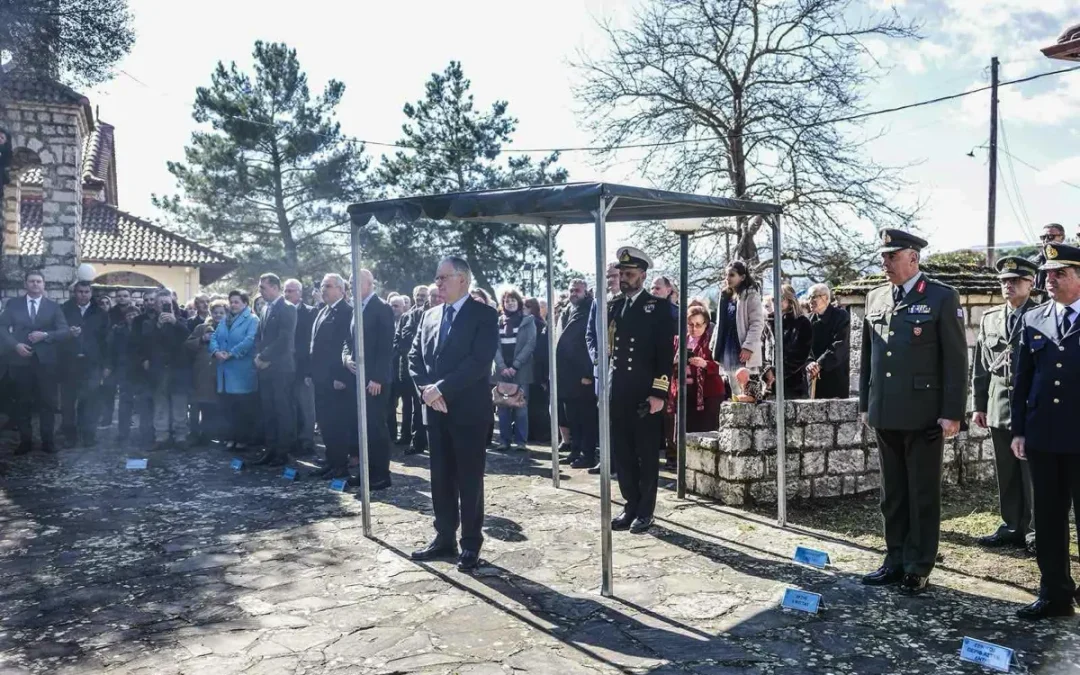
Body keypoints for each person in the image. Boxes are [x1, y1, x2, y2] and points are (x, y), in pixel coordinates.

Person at [858, 229, 967, 596]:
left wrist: (952, 412)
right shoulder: (875, 297)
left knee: (921, 493)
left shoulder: (940, 296)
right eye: (883, 256)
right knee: (892, 494)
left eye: (892, 256)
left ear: (913, 258)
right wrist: (865, 404)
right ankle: (894, 559)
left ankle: (918, 565)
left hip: (924, 414)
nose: (885, 263)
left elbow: (955, 360)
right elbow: (869, 357)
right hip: (885, 410)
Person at [408, 256, 498, 572]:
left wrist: (440, 389)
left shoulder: (484, 314)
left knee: (469, 479)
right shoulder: (430, 315)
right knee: (440, 476)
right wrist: (425, 390)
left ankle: (470, 543)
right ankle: (444, 537)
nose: (438, 283)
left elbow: (478, 362)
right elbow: (414, 356)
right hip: (436, 410)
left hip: (469, 411)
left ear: (463, 279)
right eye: (437, 277)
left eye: (443, 277)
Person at [1010, 242, 1080, 620]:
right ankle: (1055, 594)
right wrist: (1019, 430)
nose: (1050, 280)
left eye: (1060, 273)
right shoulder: (1034, 318)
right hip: (1043, 436)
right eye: (1048, 273)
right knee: (1049, 519)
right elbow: (1022, 379)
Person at [971, 256, 1039, 554]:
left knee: (1033, 474)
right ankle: (1012, 526)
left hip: (1032, 408)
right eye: (1004, 281)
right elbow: (980, 366)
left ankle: (1037, 531)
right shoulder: (990, 318)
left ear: (1031, 283)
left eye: (1015, 280)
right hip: (999, 406)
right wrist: (979, 405)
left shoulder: (1042, 315)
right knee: (1007, 472)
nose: (1008, 286)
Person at [607, 246, 676, 534]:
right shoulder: (614, 306)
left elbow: (665, 355)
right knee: (622, 452)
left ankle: (646, 510)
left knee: (646, 454)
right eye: (622, 273)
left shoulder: (657, 308)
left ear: (643, 276)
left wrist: (659, 393)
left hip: (645, 392)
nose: (624, 278)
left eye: (630, 274)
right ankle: (630, 504)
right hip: (620, 389)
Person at [0, 270, 69, 454]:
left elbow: (64, 331)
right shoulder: (14, 304)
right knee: (22, 402)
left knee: (47, 402)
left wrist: (46, 335)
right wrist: (15, 345)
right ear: (25, 284)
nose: (35, 284)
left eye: (39, 281)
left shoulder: (53, 307)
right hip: (20, 360)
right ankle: (25, 442)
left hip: (45, 363)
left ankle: (48, 441)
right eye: (31, 281)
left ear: (44, 284)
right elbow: (2, 327)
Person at [342, 269, 396, 490]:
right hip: (358, 378)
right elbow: (348, 341)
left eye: (355, 281)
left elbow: (386, 346)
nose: (351, 286)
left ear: (369, 283)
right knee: (362, 429)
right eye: (350, 282)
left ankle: (381, 474)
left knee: (376, 428)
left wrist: (377, 378)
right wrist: (346, 358)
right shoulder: (357, 308)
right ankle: (367, 473)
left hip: (375, 381)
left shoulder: (381, 307)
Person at [308, 274, 354, 480]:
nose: (323, 290)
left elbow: (346, 346)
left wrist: (341, 376)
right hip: (321, 378)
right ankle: (331, 460)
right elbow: (316, 345)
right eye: (322, 286)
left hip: (335, 379)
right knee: (325, 422)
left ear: (341, 290)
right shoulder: (324, 310)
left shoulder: (347, 312)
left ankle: (340, 465)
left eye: (328, 286)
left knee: (337, 424)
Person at [135, 288, 192, 450]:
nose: (164, 306)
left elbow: (188, 337)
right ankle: (161, 436)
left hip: (178, 368)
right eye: (161, 304)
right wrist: (158, 327)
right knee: (160, 404)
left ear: (172, 304)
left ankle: (180, 436)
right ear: (156, 306)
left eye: (167, 303)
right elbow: (145, 344)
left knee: (179, 403)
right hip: (159, 369)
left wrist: (175, 323)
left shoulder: (182, 321)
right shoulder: (148, 323)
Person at [252, 273, 297, 466]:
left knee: (282, 410)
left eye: (263, 287)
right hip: (264, 368)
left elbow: (284, 339)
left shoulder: (287, 308)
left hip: (280, 368)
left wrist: (264, 357)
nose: (260, 291)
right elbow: (259, 337)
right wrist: (258, 355)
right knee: (268, 410)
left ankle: (282, 452)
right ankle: (270, 450)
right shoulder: (264, 308)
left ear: (275, 287)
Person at [59, 280, 108, 447]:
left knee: (90, 401)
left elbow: (106, 341)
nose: (83, 295)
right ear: (75, 293)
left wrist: (106, 364)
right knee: (68, 402)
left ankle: (88, 435)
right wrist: (67, 334)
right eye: (80, 292)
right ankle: (70, 437)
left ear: (91, 293)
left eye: (86, 292)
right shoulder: (64, 310)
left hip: (92, 364)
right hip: (68, 363)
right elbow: (56, 335)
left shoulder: (100, 313)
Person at [584, 262, 622, 476]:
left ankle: (622, 461)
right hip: (602, 369)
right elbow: (590, 334)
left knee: (620, 417)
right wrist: (596, 357)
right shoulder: (599, 302)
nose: (611, 280)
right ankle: (606, 461)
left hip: (623, 369)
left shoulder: (628, 301)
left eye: (614, 275)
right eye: (608, 276)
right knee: (603, 417)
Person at [210, 290, 259, 451]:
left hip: (241, 370)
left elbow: (249, 340)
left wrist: (231, 353)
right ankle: (230, 437)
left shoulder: (252, 320)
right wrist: (216, 352)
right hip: (224, 370)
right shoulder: (225, 319)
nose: (233, 305)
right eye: (231, 302)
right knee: (228, 407)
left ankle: (242, 439)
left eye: (237, 302)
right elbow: (214, 337)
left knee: (242, 408)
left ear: (245, 303)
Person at [557, 281, 597, 468]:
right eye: (571, 290)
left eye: (577, 290)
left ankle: (587, 455)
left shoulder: (589, 309)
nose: (574, 293)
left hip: (582, 375)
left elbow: (590, 341)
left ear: (586, 292)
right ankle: (575, 451)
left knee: (586, 418)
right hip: (567, 375)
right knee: (571, 416)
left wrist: (588, 372)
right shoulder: (567, 310)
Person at [709, 261, 764, 395]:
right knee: (734, 389)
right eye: (726, 275)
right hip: (728, 347)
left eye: (732, 275)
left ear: (743, 277)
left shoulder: (751, 295)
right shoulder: (725, 296)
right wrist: (714, 344)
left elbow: (757, 323)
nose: (727, 278)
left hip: (742, 348)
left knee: (748, 391)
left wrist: (749, 346)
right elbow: (720, 324)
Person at [670, 304, 725, 434]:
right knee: (684, 433)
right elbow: (667, 363)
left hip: (708, 395)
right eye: (690, 324)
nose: (694, 329)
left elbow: (723, 366)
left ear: (706, 325)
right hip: (684, 393)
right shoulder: (678, 340)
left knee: (706, 434)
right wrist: (675, 360)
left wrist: (705, 364)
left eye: (698, 325)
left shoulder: (712, 341)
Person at [494, 288, 536, 452]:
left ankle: (521, 441)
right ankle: (504, 441)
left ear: (519, 303)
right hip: (502, 371)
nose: (510, 303)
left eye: (513, 300)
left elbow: (530, 344)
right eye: (507, 301)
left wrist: (516, 365)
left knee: (520, 407)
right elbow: (493, 345)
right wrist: (502, 366)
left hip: (521, 371)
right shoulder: (497, 322)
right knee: (502, 406)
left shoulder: (528, 321)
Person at [395, 284, 430, 455]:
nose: (421, 298)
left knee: (419, 406)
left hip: (424, 369)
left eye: (424, 295)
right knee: (407, 406)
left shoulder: (431, 314)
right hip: (407, 367)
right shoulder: (407, 316)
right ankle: (407, 436)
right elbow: (400, 338)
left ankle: (420, 441)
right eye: (419, 295)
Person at [186, 299, 226, 446]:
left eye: (221, 312)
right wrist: (202, 339)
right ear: (211, 313)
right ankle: (195, 433)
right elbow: (188, 344)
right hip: (201, 371)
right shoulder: (201, 327)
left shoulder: (228, 328)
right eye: (215, 312)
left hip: (219, 370)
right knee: (197, 404)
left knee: (214, 405)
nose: (218, 315)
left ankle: (210, 434)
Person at [285, 278, 317, 456]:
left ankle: (306, 441)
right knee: (290, 406)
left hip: (303, 368)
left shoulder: (310, 312)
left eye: (290, 291)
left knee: (306, 407)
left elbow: (313, 343)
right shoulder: (282, 312)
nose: (287, 294)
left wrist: (309, 371)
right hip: (285, 368)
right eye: (285, 291)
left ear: (300, 292)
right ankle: (292, 440)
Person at [104, 304, 142, 444]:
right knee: (125, 401)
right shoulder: (118, 330)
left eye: (134, 314)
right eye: (128, 315)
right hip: (124, 369)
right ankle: (123, 432)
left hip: (141, 369)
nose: (131, 317)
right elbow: (111, 350)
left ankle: (145, 431)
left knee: (143, 401)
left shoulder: (144, 329)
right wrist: (109, 366)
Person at [805, 283, 851, 399]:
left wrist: (820, 363)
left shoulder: (841, 316)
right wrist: (809, 362)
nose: (810, 301)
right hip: (814, 376)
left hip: (835, 376)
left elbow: (840, 344)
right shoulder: (808, 320)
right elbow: (804, 346)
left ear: (825, 298)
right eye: (809, 297)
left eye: (814, 297)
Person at [524, 297, 551, 445]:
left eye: (527, 306)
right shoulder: (537, 323)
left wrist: (542, 376)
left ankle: (540, 434)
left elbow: (541, 352)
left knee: (537, 404)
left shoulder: (537, 323)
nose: (524, 309)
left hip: (536, 369)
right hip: (532, 369)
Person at [778, 284, 812, 399]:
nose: (776, 301)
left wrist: (779, 372)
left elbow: (800, 354)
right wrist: (768, 371)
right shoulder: (771, 322)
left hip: (795, 383)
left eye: (781, 298)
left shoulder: (802, 322)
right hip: (771, 383)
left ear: (790, 300)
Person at [386, 293, 409, 444]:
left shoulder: (407, 321)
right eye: (392, 306)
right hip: (388, 371)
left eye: (397, 306)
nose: (394, 309)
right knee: (389, 405)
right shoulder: (385, 321)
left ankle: (406, 436)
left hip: (402, 370)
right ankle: (391, 435)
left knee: (406, 405)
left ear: (403, 307)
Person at [1032, 223, 1067, 291]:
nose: (1046, 240)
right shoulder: (1037, 260)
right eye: (1043, 237)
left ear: (1062, 238)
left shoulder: (1072, 259)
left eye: (1050, 236)